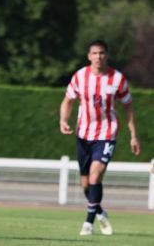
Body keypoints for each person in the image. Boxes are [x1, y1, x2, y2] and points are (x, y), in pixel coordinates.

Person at [59, 40, 141, 236]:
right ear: (89, 56)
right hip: (83, 134)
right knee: (86, 184)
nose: (98, 57)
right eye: (94, 53)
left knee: (96, 176)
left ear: (107, 55)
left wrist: (133, 135)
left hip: (106, 134)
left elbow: (128, 106)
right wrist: (63, 119)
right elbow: (68, 100)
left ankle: (88, 223)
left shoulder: (117, 79)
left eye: (102, 53)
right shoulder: (80, 76)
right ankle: (100, 212)